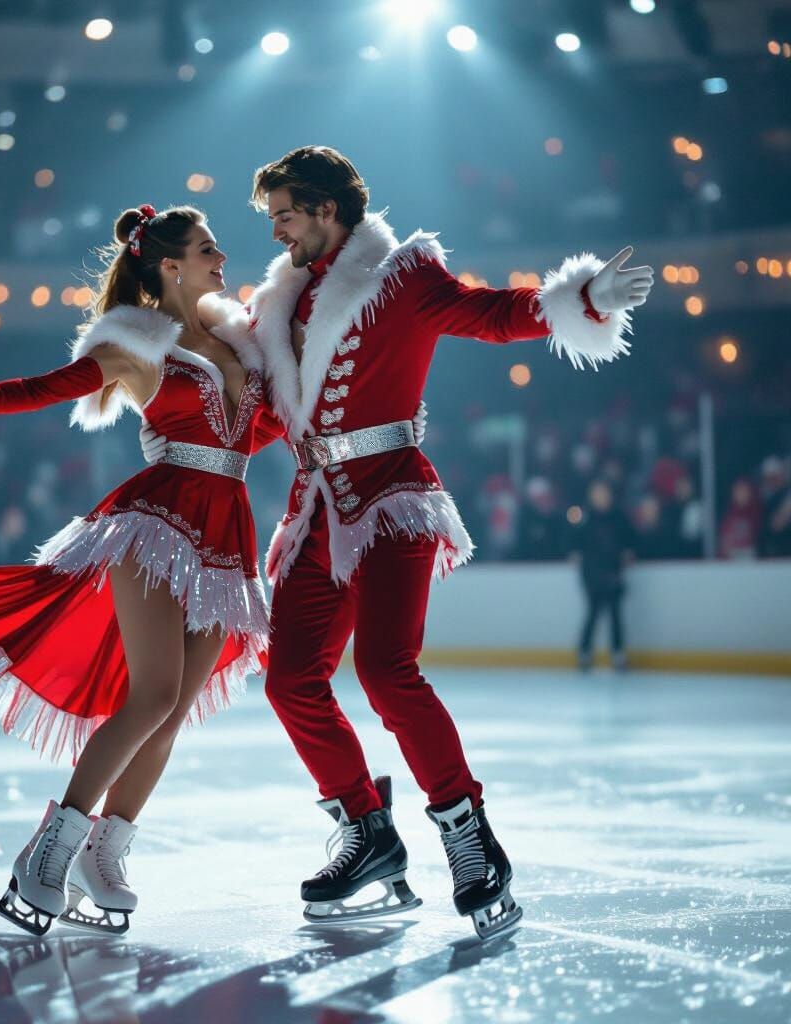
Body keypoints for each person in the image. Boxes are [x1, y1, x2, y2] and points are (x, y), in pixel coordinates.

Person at [143, 146, 653, 941]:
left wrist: (579, 297)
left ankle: (468, 837)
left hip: (393, 501)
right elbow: (282, 414)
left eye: (283, 215)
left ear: (325, 209)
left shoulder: (402, 275)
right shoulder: (283, 305)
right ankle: (369, 833)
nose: (275, 233)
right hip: (315, 511)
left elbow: (488, 315)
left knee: (386, 669)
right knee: (291, 681)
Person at [0, 205, 284, 937]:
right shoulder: (137, 347)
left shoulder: (245, 345)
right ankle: (47, 851)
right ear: (170, 265)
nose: (223, 260)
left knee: (174, 712)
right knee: (152, 695)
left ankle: (104, 852)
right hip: (155, 522)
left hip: (227, 535)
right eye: (208, 250)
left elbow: (262, 429)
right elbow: (41, 388)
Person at [573, 479, 636, 671]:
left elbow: (629, 539)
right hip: (591, 573)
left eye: (603, 492)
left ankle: (618, 653)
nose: (600, 497)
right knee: (592, 612)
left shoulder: (618, 516)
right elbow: (573, 542)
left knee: (615, 614)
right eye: (597, 493)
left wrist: (628, 551)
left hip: (613, 571)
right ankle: (585, 652)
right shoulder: (584, 518)